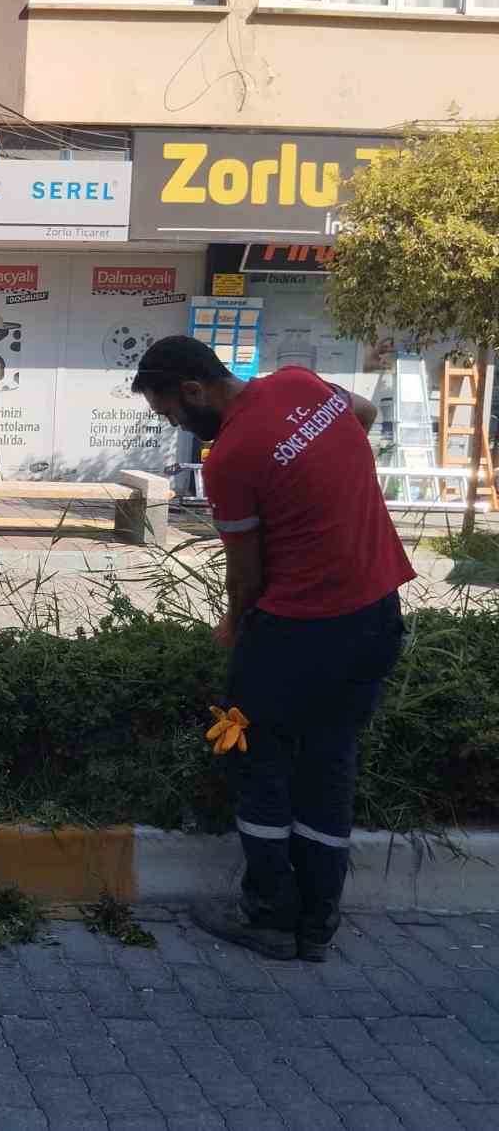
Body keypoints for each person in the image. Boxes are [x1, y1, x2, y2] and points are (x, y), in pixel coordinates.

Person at [131, 337, 412, 963]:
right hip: (376, 615)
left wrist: (232, 627)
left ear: (194, 391)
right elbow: (361, 415)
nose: (177, 425)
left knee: (254, 757)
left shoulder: (231, 457)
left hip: (297, 633)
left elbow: (247, 576)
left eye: (172, 414)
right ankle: (317, 923)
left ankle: (268, 914)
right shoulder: (300, 384)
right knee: (330, 764)